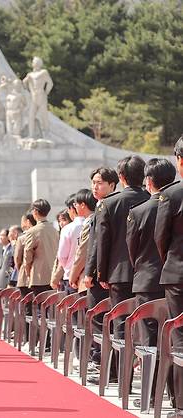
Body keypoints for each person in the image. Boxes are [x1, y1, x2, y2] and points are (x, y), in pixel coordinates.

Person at [126, 158, 177, 408]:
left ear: (149, 180)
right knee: (174, 338)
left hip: (146, 281)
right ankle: (174, 394)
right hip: (174, 278)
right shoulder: (177, 200)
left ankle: (151, 396)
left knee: (150, 342)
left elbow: (132, 250)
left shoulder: (138, 212)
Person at [96, 156, 150, 340]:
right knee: (147, 323)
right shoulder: (152, 200)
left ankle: (122, 367)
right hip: (147, 272)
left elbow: (103, 242)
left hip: (119, 273)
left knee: (120, 323)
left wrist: (102, 274)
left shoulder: (109, 203)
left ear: (121, 177)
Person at [155, 136, 183, 418]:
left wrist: (170, 262)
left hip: (178, 275)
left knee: (180, 338)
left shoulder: (171, 194)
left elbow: (160, 238)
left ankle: (181, 404)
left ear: (179, 159)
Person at [82, 167, 118, 373]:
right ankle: (111, 367)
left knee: (98, 318)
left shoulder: (104, 206)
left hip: (102, 275)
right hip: (116, 274)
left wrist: (92, 272)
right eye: (93, 183)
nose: (95, 187)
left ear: (112, 184)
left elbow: (97, 244)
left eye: (99, 183)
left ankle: (101, 363)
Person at [23, 199, 59, 297]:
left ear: (35, 211)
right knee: (52, 309)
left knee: (39, 309)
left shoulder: (32, 231)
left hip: (39, 276)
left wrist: (28, 271)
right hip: (54, 274)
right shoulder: (55, 230)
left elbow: (27, 255)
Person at [55, 195, 84, 294]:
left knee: (73, 307)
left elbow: (62, 256)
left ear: (72, 208)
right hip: (88, 276)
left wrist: (67, 267)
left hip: (70, 276)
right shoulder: (91, 223)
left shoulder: (68, 229)